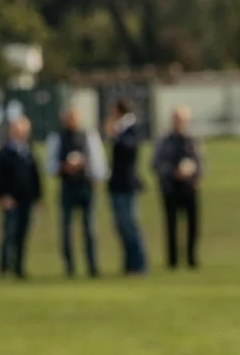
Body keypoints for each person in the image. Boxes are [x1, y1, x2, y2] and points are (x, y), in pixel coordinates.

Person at [47, 107, 107, 278]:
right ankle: (70, 267)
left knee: (90, 229)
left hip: (85, 186)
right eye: (69, 118)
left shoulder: (89, 136)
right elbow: (50, 165)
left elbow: (98, 162)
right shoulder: (57, 138)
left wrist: (91, 173)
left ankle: (92, 265)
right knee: (66, 229)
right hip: (67, 187)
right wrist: (64, 167)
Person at [153, 106, 205, 269]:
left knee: (193, 224)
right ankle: (172, 260)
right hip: (171, 187)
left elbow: (201, 162)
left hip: (189, 187)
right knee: (171, 224)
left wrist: (192, 171)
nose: (179, 123)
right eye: (176, 119)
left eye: (182, 120)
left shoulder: (192, 141)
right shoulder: (164, 141)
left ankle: (191, 258)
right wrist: (172, 172)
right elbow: (155, 163)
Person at [0, 113, 42, 278]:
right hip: (10, 200)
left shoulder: (29, 152)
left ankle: (19, 267)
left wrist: (38, 196)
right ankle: (5, 267)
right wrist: (2, 196)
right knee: (9, 233)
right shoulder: (3, 153)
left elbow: (35, 176)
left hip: (26, 199)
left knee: (23, 234)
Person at [105, 98, 150, 274]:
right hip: (116, 184)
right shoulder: (122, 130)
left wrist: (116, 134)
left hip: (127, 184)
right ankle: (128, 264)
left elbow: (130, 149)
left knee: (130, 224)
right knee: (121, 226)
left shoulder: (131, 128)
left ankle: (139, 264)